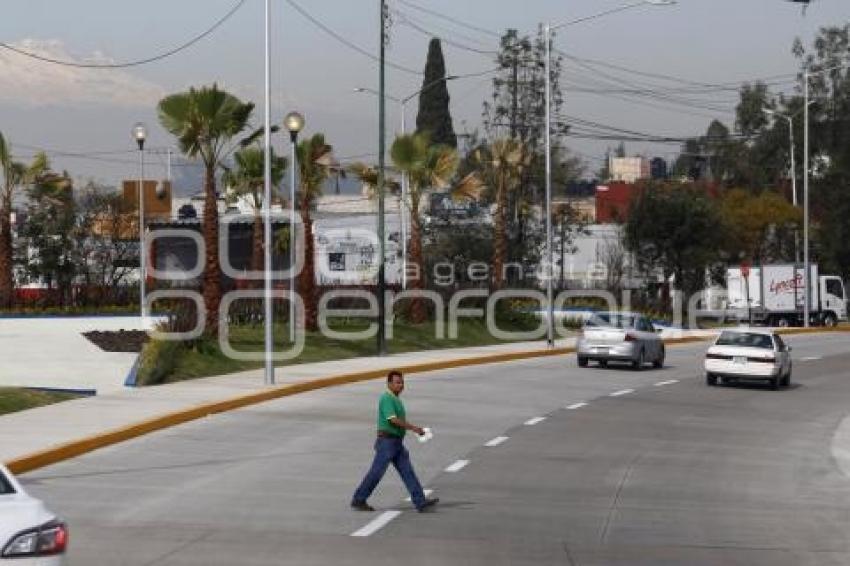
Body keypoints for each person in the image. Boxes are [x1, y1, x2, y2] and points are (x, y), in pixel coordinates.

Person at [351, 370, 439, 513]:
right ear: (389, 384)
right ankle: (359, 499)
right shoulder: (387, 398)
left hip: (396, 443)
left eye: (402, 382)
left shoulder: (395, 399)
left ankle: (420, 502)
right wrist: (413, 428)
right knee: (376, 473)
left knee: (408, 472)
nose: (401, 385)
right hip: (387, 442)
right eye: (397, 382)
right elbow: (392, 419)